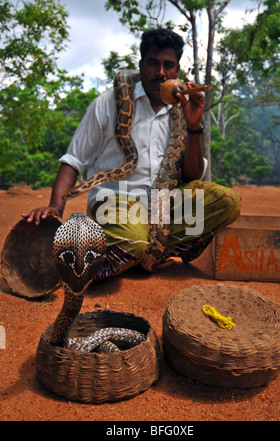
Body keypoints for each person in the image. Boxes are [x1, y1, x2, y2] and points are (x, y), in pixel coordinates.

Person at [22, 28, 241, 279]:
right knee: (134, 240)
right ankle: (101, 254)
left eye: (168, 65)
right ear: (141, 65)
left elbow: (192, 174)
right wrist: (55, 207)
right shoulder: (108, 103)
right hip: (115, 201)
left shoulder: (183, 108)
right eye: (153, 64)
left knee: (227, 202)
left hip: (163, 206)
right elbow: (73, 160)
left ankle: (141, 252)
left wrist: (193, 126)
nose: (160, 72)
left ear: (177, 70)